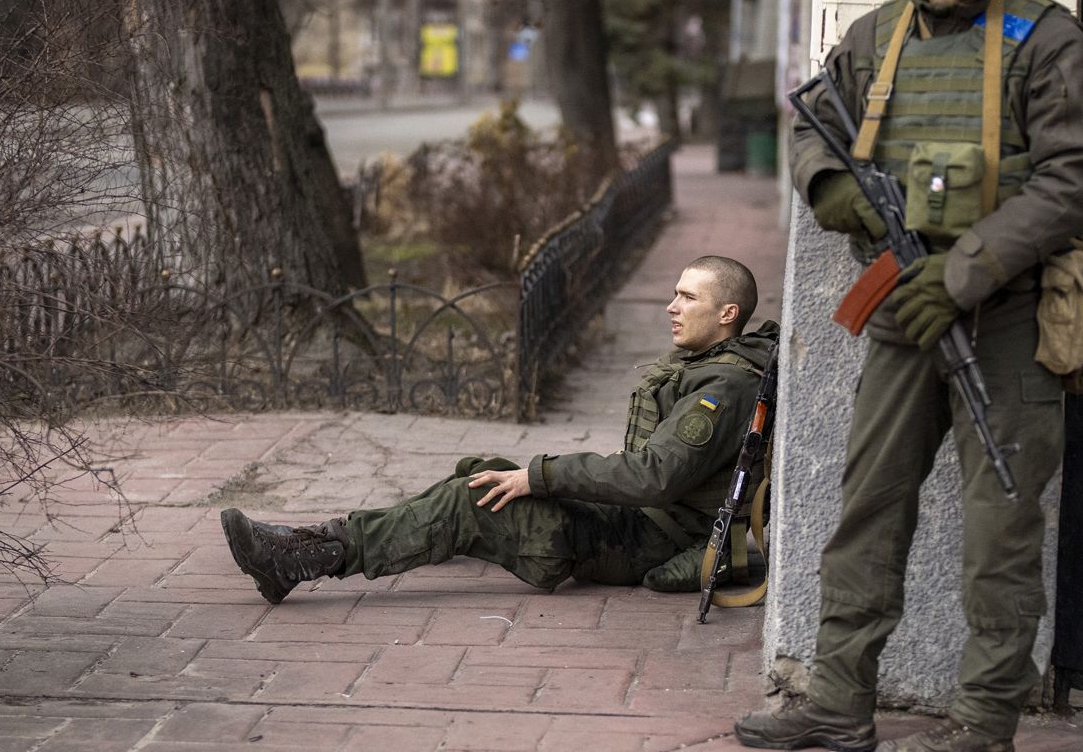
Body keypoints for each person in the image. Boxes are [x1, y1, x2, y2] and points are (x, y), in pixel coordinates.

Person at [731, 0, 1083, 752]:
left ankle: (983, 724)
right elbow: (810, 129)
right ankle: (836, 699)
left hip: (1008, 315)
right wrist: (842, 198)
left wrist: (966, 269)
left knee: (1001, 528)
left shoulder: (1047, 39)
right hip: (902, 309)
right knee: (868, 506)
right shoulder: (877, 38)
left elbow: (1070, 182)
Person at [219, 255, 777, 605]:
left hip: (642, 539)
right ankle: (339, 537)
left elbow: (652, 478)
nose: (670, 306)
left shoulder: (720, 389)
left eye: (687, 297)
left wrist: (543, 476)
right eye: (675, 293)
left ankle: (303, 558)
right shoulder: (714, 368)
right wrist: (538, 478)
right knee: (477, 473)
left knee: (473, 501)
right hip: (636, 521)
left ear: (727, 314)